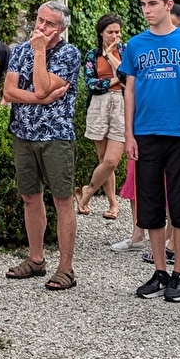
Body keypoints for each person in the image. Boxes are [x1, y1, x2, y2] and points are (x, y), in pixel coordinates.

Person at [121, 0, 180, 304]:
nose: (147, 9)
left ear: (169, 5)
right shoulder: (134, 45)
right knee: (151, 205)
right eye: (143, 4)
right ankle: (159, 271)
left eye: (153, 3)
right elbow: (129, 91)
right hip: (145, 134)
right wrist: (129, 134)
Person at [3, 0, 84, 291]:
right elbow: (10, 92)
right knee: (30, 197)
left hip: (56, 136)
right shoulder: (20, 50)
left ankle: (66, 269)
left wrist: (39, 53)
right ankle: (36, 259)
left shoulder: (69, 53)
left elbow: (39, 84)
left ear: (61, 28)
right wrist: (43, 99)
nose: (41, 27)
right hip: (23, 133)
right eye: (39, 20)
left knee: (62, 201)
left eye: (49, 24)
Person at [79, 13, 126, 220]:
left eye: (117, 31)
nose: (115, 36)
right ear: (101, 33)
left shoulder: (125, 51)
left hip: (122, 105)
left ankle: (87, 191)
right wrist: (117, 80)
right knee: (102, 158)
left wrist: (110, 57)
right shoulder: (91, 55)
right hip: (99, 105)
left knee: (111, 161)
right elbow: (92, 84)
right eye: (110, 32)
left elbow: (129, 77)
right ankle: (113, 204)